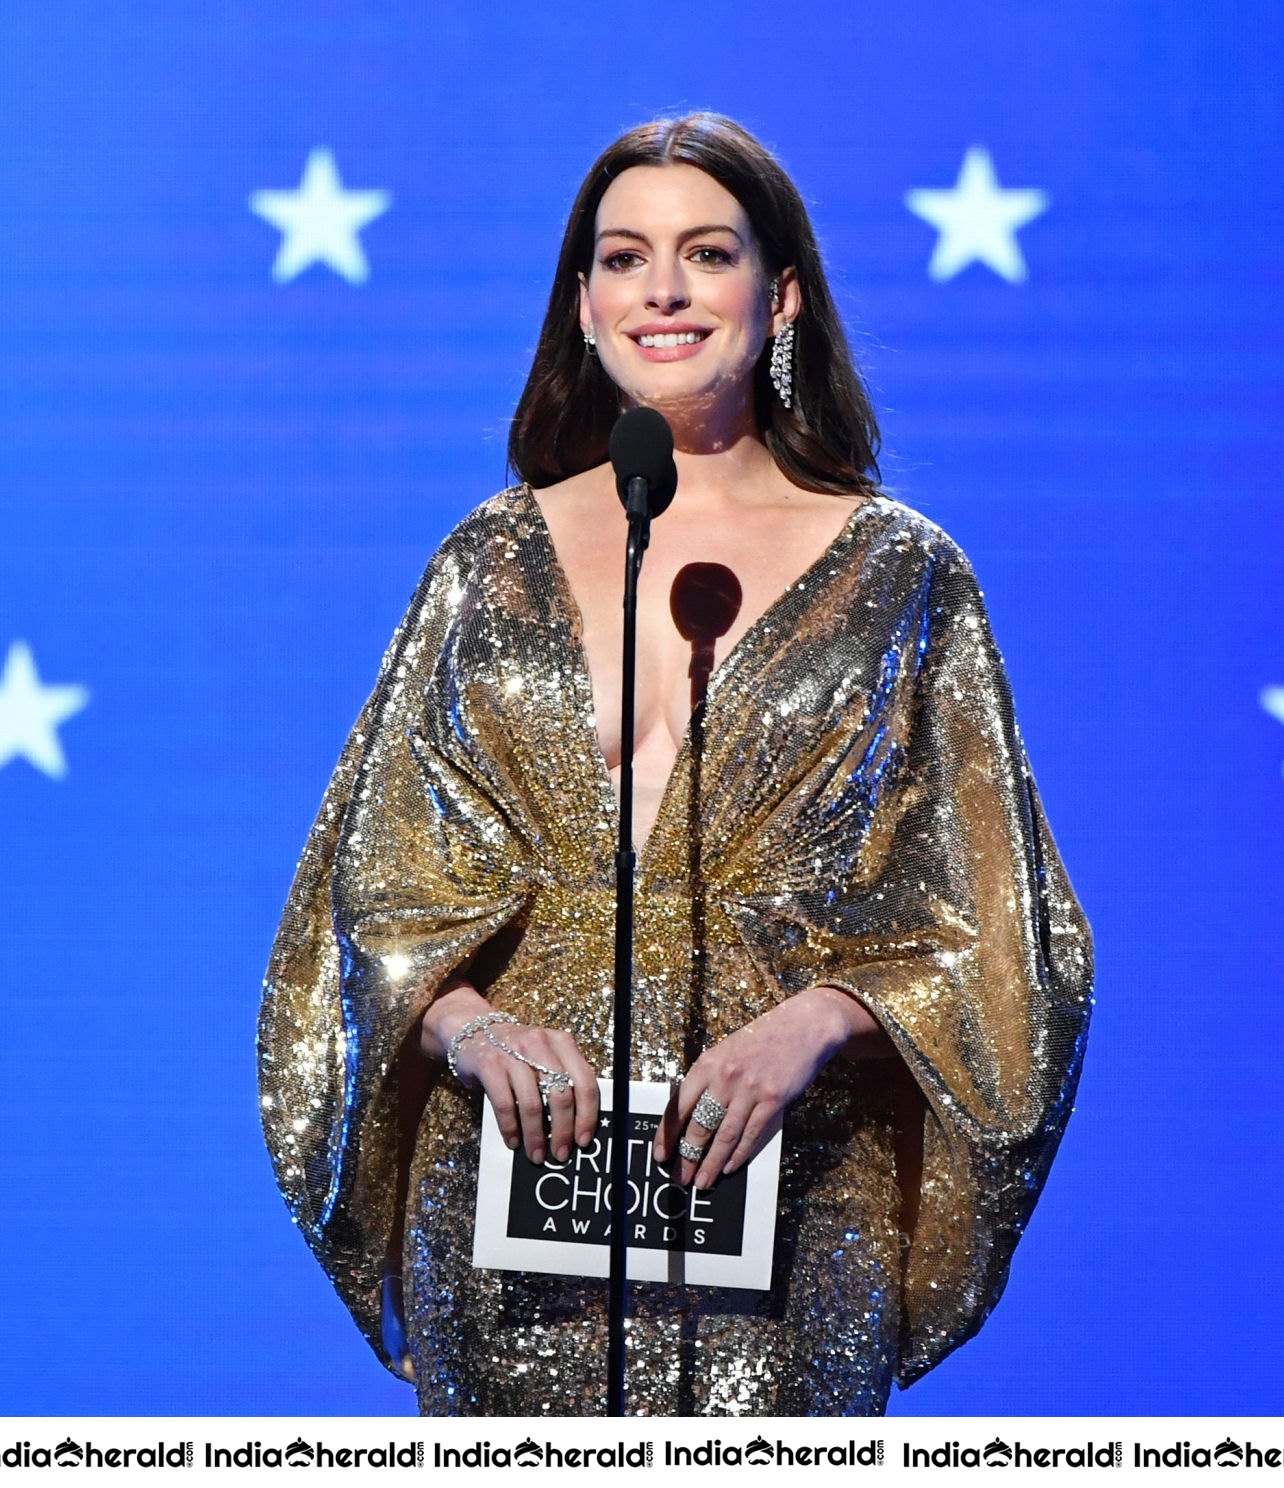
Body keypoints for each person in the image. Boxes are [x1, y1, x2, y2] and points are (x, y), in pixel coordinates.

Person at [258, 113, 1092, 1416]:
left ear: (782, 297)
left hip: (791, 1203)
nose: (661, 289)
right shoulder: (484, 561)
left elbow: (998, 934)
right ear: (581, 305)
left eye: (706, 253)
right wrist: (473, 1030)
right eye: (621, 257)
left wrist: (814, 1025)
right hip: (510, 1206)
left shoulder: (902, 576)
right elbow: (370, 897)